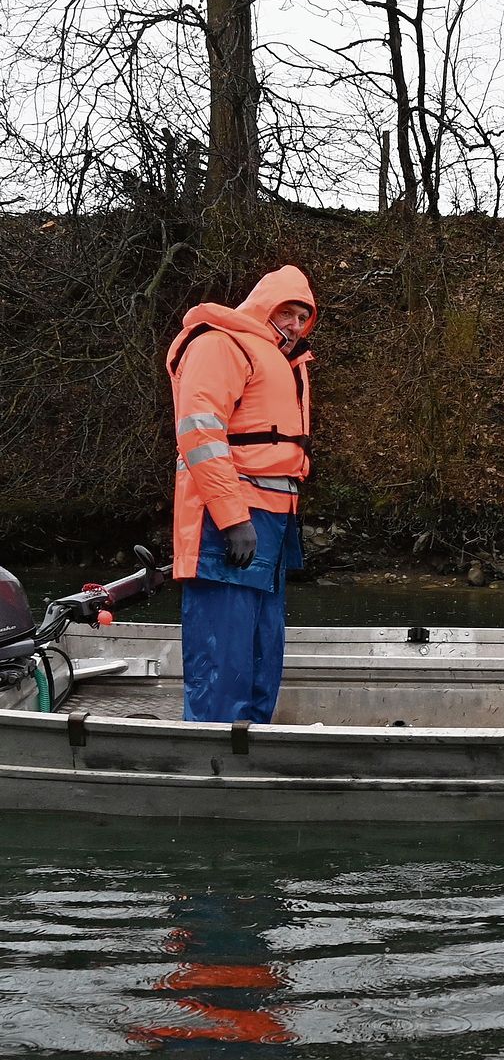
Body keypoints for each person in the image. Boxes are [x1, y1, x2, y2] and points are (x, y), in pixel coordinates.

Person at [167, 265, 316, 723]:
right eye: (285, 312)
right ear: (262, 304)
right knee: (222, 651)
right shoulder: (220, 343)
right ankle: (212, 756)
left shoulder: (280, 360)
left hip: (272, 519)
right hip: (228, 517)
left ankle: (250, 749)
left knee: (261, 649)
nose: (293, 325)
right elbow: (199, 433)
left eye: (302, 318)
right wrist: (232, 517)